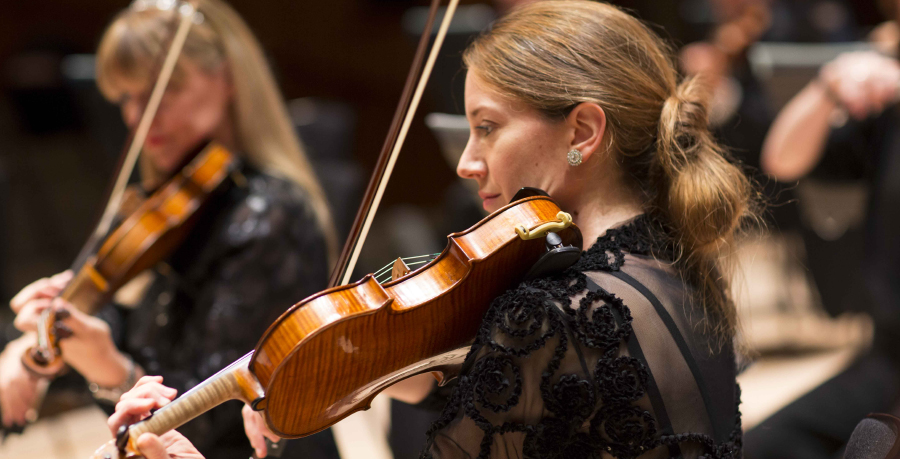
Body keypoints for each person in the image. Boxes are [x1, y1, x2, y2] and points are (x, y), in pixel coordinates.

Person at [107, 2, 755, 458]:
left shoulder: (549, 318)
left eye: (487, 125)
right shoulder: (683, 266)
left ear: (583, 131)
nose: (467, 161)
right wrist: (403, 364)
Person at [0, 1, 341, 458]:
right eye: (126, 97)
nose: (139, 117)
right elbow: (127, 320)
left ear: (227, 76)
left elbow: (211, 419)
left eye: (163, 91)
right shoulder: (171, 200)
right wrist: (30, 350)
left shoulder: (271, 214)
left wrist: (113, 371)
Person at [742, 1, 900, 457]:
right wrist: (830, 85)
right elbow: (784, 159)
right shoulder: (889, 108)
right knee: (760, 447)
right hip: (888, 356)